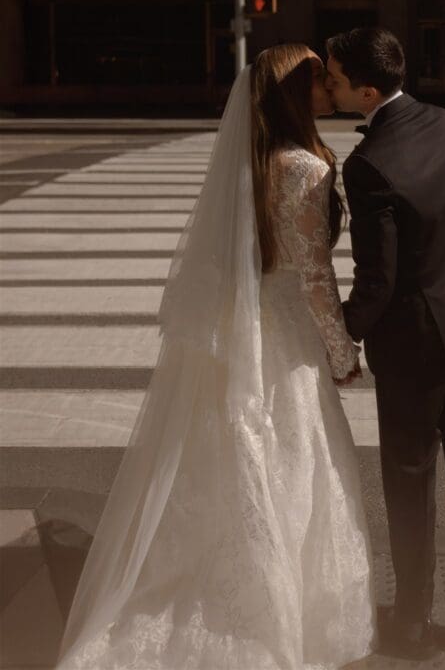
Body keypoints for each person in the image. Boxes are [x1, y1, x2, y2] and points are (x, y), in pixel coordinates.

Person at [56, 44, 376, 670]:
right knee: (292, 457)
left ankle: (231, 580)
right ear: (296, 94)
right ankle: (280, 609)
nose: (328, 86)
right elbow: (315, 275)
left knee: (240, 455)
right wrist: (343, 352)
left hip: (242, 327)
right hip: (287, 333)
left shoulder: (255, 161)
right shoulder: (305, 166)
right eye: (319, 78)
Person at [326, 27, 445, 661]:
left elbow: (377, 281)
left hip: (415, 347)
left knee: (410, 481)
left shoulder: (368, 164)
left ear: (367, 91)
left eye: (335, 79)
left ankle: (412, 623)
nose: (328, 87)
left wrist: (338, 332)